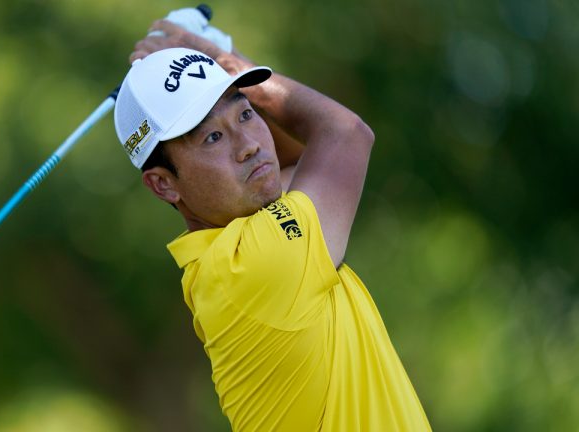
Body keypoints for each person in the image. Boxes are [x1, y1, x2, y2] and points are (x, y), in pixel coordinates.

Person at [113, 18, 431, 431]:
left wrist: (223, 72)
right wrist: (227, 61)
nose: (249, 145)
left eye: (244, 114)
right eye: (212, 138)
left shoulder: (231, 250)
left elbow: (296, 162)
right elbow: (345, 134)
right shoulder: (252, 268)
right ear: (163, 185)